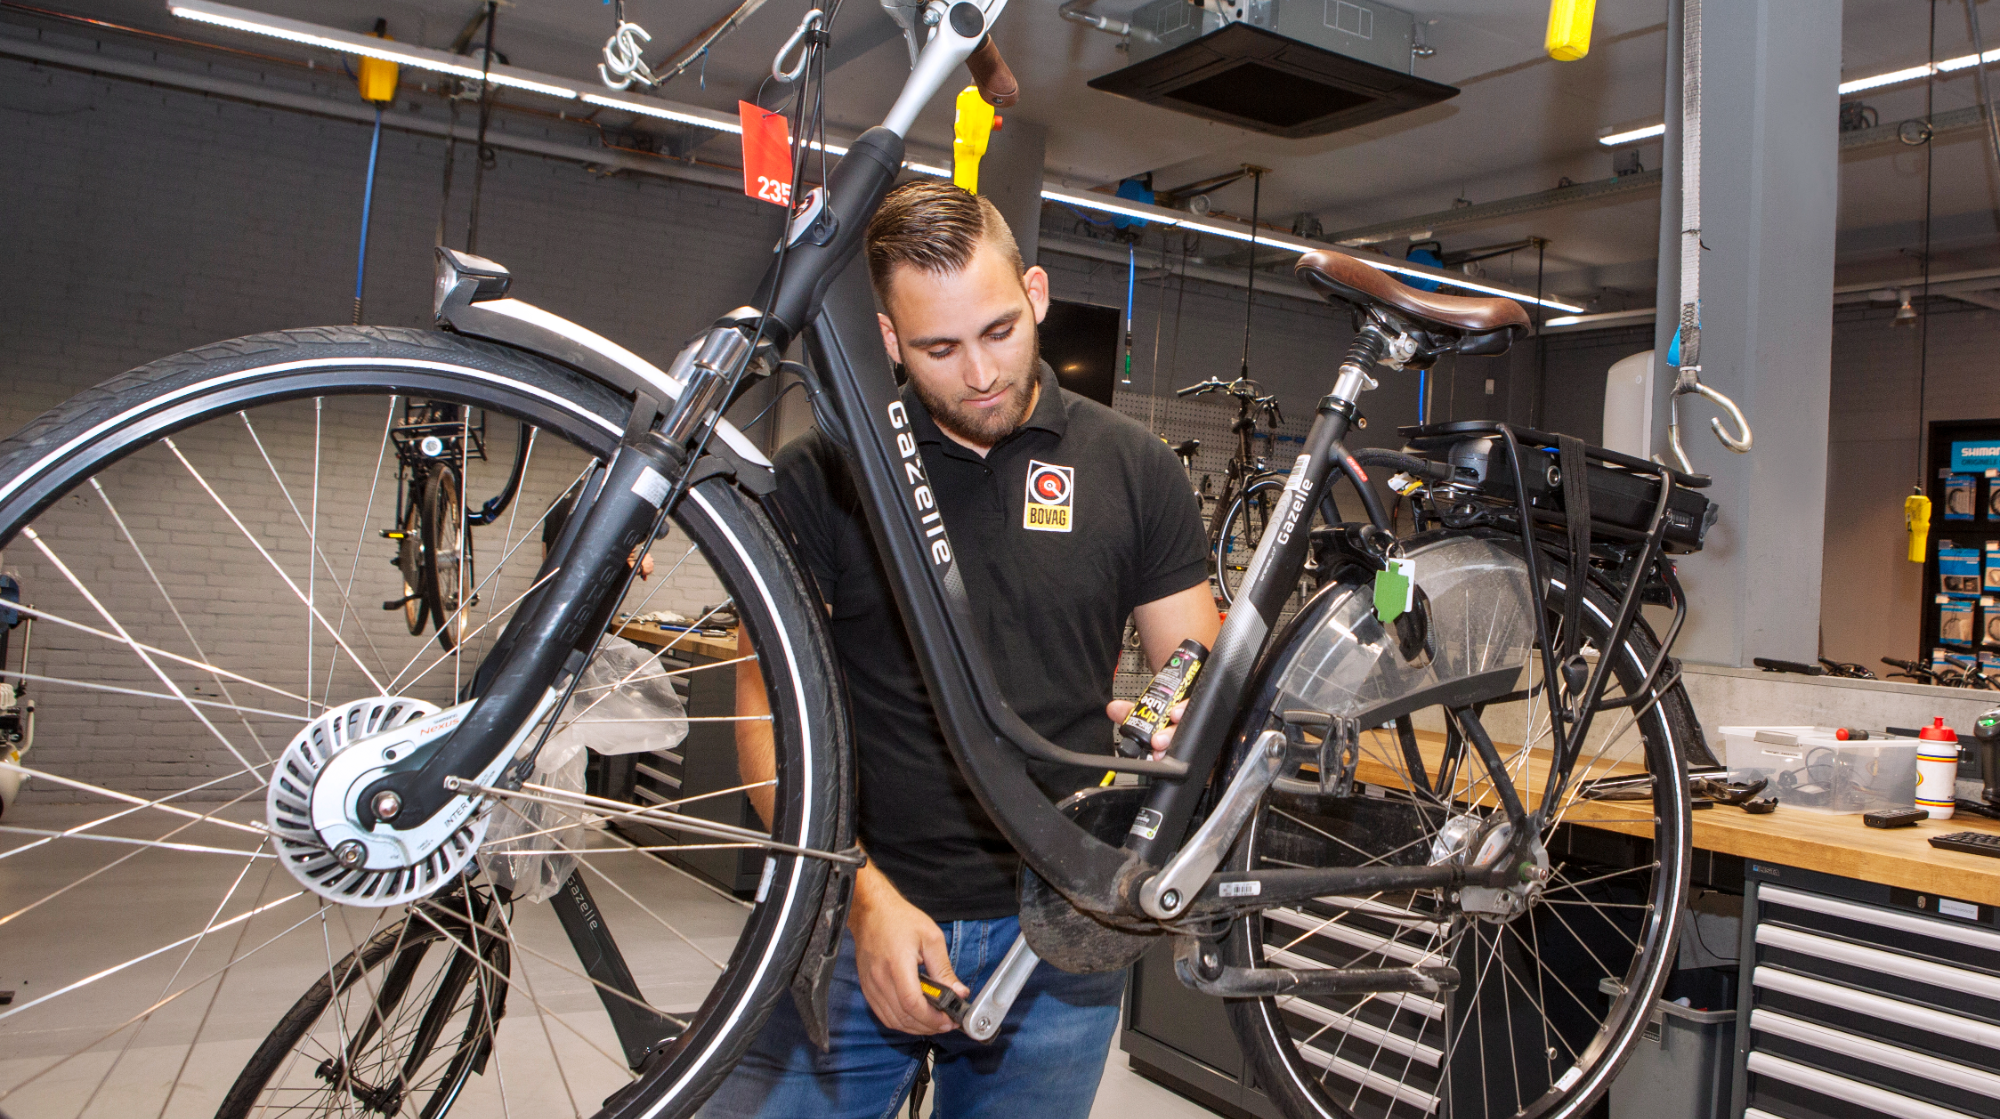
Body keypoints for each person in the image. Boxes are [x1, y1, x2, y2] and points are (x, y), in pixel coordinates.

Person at [704, 180, 1219, 1119]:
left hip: (1062, 934)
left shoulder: (1133, 467)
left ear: (1036, 293)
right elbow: (763, 709)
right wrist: (861, 899)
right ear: (890, 341)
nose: (980, 372)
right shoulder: (826, 473)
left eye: (998, 331)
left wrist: (1164, 718)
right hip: (852, 916)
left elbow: (1190, 662)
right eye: (940, 348)